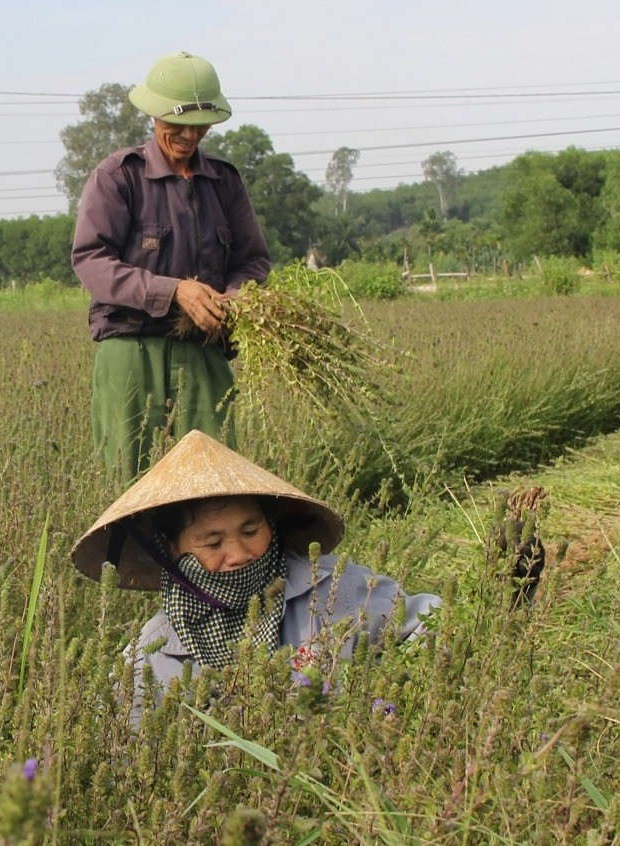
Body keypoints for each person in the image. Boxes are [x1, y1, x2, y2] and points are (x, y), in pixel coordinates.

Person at [71, 430, 441, 708]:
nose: (238, 553)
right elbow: (113, 743)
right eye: (213, 543)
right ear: (171, 551)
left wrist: (389, 697)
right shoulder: (155, 651)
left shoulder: (333, 588)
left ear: (271, 523)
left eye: (251, 531)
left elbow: (434, 622)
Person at [71, 51, 272, 483]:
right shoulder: (118, 177)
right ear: (153, 116)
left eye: (199, 124)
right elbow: (91, 259)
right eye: (175, 123)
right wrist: (175, 290)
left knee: (212, 484)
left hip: (204, 352)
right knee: (127, 485)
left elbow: (253, 261)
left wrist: (233, 301)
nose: (187, 134)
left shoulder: (225, 182)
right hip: (131, 350)